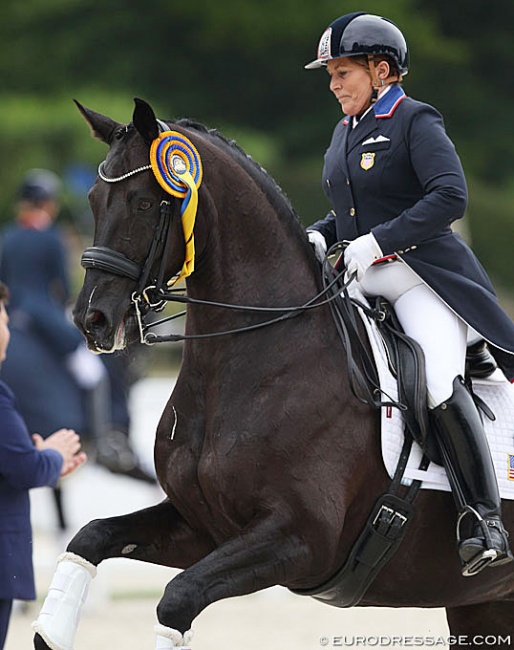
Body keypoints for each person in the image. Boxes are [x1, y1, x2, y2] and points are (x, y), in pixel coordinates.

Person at [304, 12, 514, 577]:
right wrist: (319, 234)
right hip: (365, 277)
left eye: (342, 72)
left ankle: (483, 518)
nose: (333, 85)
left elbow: (449, 196)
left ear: (381, 70)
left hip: (421, 279)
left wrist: (378, 241)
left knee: (439, 383)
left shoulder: (415, 119)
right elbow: (352, 210)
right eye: (330, 75)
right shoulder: (345, 130)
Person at [0, 169, 155, 486]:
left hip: (12, 318)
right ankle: (103, 438)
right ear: (49, 204)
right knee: (93, 372)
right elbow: (64, 287)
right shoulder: (51, 238)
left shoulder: (6, 237)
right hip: (45, 320)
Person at [0, 281, 87, 649]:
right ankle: (111, 427)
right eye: (3, 322)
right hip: (41, 302)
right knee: (90, 366)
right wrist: (50, 456)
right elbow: (25, 468)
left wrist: (36, 455)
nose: (7, 332)